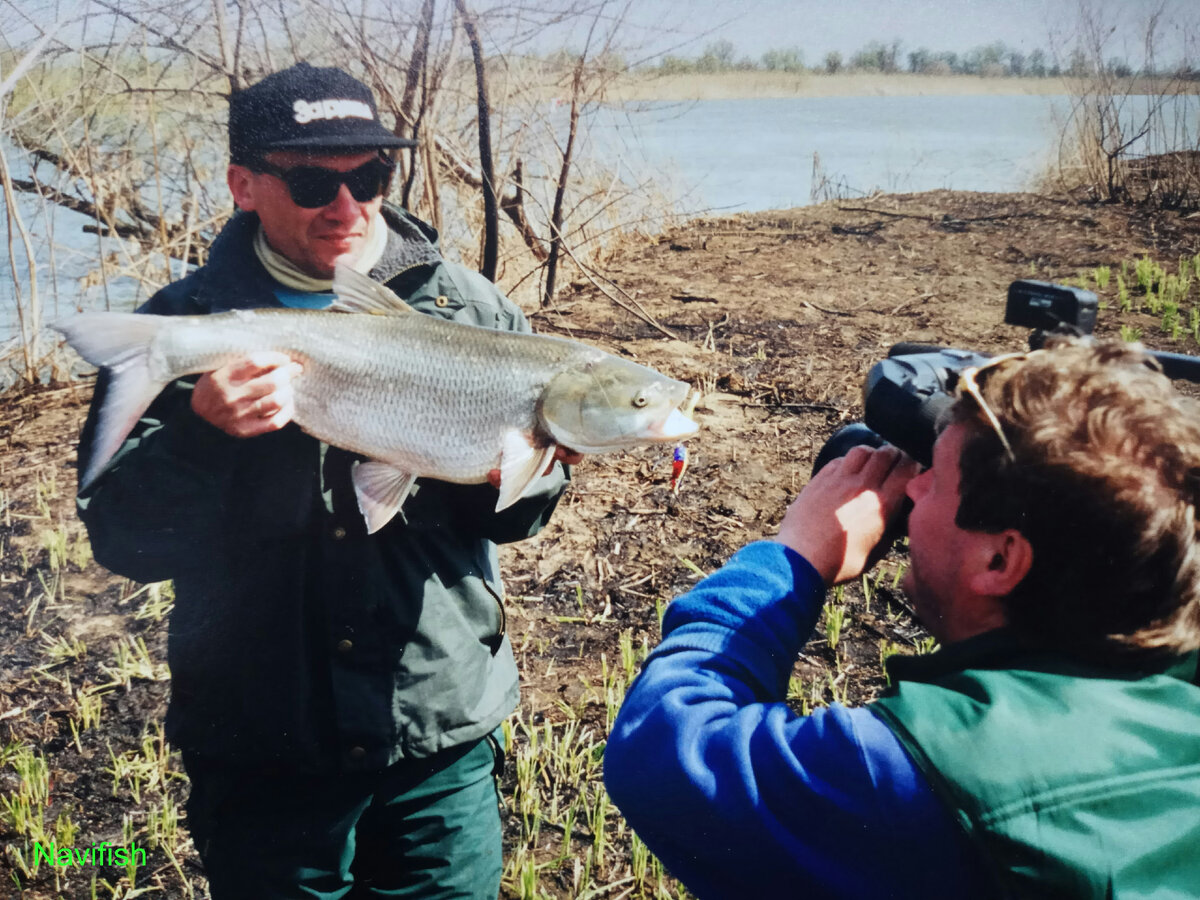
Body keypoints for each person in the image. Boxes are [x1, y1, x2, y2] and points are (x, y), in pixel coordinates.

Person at [76, 62, 579, 899]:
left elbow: (519, 522)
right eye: (313, 182)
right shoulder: (178, 326)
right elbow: (124, 540)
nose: (347, 208)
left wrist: (504, 475)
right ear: (245, 184)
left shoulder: (475, 310)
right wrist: (202, 436)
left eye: (370, 177)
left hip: (433, 736)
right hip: (261, 744)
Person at [605, 337, 1200, 899]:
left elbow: (663, 749)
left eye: (934, 475)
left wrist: (795, 558)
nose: (911, 489)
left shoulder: (947, 769)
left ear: (999, 559)